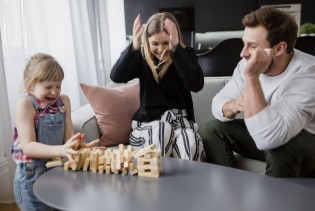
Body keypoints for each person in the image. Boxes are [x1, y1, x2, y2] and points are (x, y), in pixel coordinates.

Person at [199, 7, 315, 177]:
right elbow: (219, 102)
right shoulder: (245, 63)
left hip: (306, 143)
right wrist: (233, 105)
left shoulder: (307, 74)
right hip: (269, 136)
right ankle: (230, 191)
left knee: (279, 149)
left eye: (252, 46)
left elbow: (269, 139)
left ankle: (276, 202)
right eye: (243, 43)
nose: (243, 53)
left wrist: (252, 78)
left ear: (279, 48)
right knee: (211, 129)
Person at [111, 12, 205, 161]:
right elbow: (116, 76)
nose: (161, 49)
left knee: (189, 142)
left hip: (181, 124)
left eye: (166, 43)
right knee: (162, 129)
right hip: (149, 125)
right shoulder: (142, 56)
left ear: (174, 38)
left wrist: (175, 50)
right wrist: (134, 46)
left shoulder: (185, 54)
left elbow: (196, 84)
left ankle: (187, 183)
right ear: (147, 41)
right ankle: (154, 179)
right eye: (155, 43)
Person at [12, 53, 99, 210]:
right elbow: (28, 146)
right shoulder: (25, 104)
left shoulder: (63, 101)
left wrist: (76, 145)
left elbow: (68, 135)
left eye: (58, 86)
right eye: (48, 87)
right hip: (31, 175)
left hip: (56, 169)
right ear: (30, 85)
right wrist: (62, 149)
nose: (54, 92)